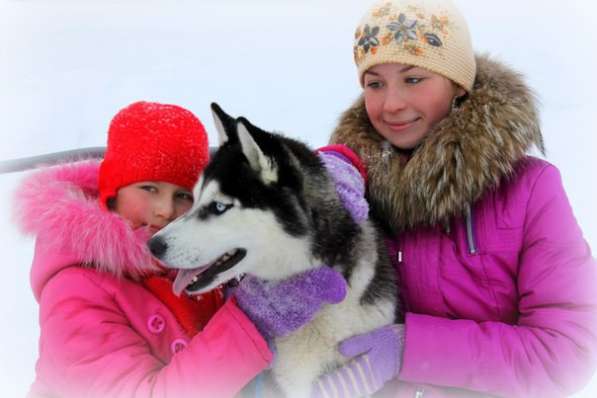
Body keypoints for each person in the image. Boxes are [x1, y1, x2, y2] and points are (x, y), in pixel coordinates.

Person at [312, 0, 597, 396]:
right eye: (375, 83)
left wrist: (409, 348)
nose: (391, 103)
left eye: (413, 79)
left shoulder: (531, 190)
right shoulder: (353, 192)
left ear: (458, 84)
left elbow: (567, 353)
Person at [13, 101, 347, 398]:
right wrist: (250, 322)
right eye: (149, 188)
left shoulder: (199, 258)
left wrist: (328, 192)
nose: (165, 211)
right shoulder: (75, 292)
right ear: (112, 193)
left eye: (183, 196)